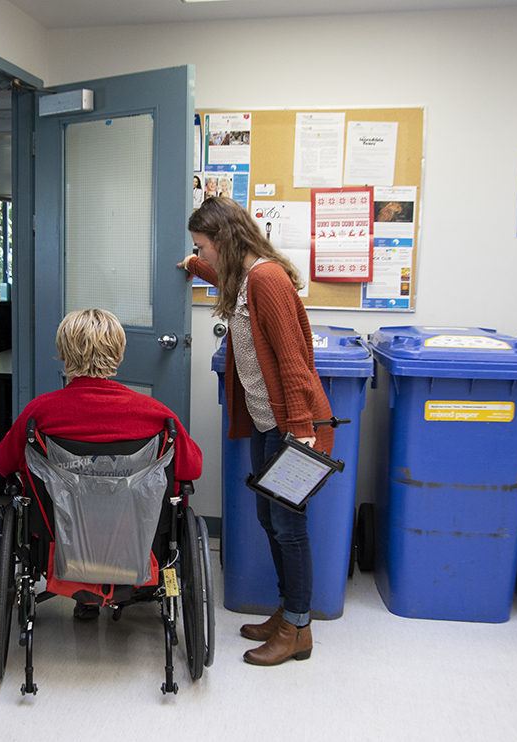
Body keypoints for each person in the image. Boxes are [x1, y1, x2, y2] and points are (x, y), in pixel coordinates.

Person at [177, 196, 334, 666]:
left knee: (289, 527)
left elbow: (292, 359)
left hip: (293, 428)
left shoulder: (266, 280)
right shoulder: (245, 277)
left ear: (225, 240)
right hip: (269, 424)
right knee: (271, 521)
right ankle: (288, 613)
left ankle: (298, 629)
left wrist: (302, 429)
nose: (203, 257)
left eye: (204, 248)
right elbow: (223, 280)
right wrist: (192, 265)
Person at [0, 308, 203, 618]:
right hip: (136, 545)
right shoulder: (156, 415)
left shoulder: (41, 415)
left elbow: (2, 463)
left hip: (61, 546)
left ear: (64, 354)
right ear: (118, 354)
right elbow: (191, 470)